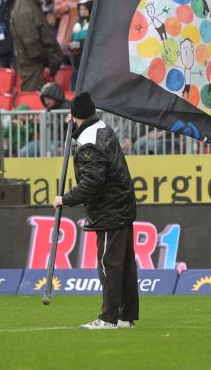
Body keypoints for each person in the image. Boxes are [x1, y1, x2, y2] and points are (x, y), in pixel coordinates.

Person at [52, 92, 138, 330]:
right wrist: (77, 121)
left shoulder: (89, 141)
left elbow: (92, 183)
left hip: (109, 210)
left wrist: (65, 199)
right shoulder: (100, 127)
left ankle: (108, 318)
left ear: (77, 117)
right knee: (124, 265)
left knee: (108, 264)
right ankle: (125, 317)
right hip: (121, 205)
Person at [10, 0, 62, 91]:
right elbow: (29, 38)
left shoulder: (29, 3)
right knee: (34, 93)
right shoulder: (25, 9)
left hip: (36, 60)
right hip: (34, 62)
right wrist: (44, 57)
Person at [18, 82, 71, 157]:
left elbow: (65, 122)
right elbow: (39, 130)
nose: (46, 102)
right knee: (24, 151)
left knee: (54, 150)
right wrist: (34, 122)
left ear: (56, 96)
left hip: (62, 141)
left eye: (48, 99)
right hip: (47, 141)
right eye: (45, 99)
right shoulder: (47, 110)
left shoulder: (68, 107)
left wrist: (44, 122)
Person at [70, 0, 92, 89]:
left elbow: (91, 41)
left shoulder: (93, 24)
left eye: (85, 9)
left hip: (88, 63)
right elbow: (72, 41)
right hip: (76, 61)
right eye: (81, 9)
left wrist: (79, 44)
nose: (82, 12)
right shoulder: (77, 25)